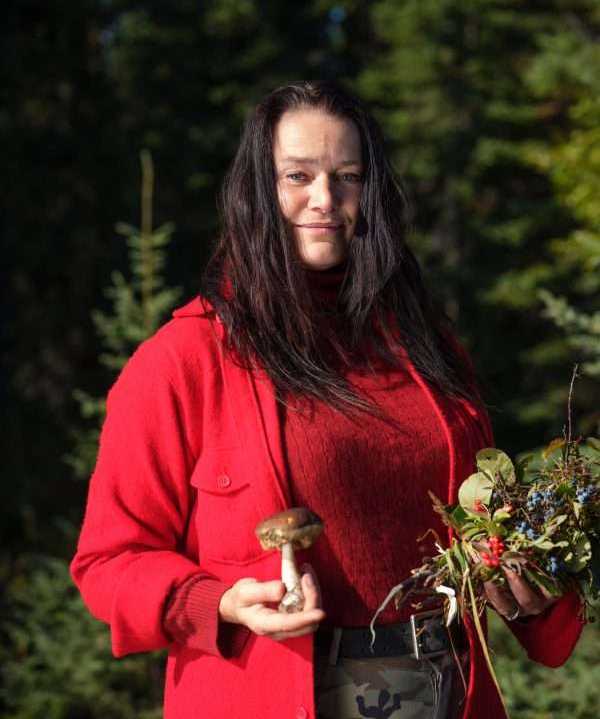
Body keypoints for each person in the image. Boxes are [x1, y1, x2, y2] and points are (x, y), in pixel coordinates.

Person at [71, 81, 583, 719]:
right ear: (259, 189)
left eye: (347, 176)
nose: (325, 199)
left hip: (444, 693)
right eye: (297, 175)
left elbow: (485, 522)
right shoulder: (185, 358)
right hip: (271, 695)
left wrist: (530, 588)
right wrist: (221, 601)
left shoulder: (430, 347)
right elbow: (109, 562)